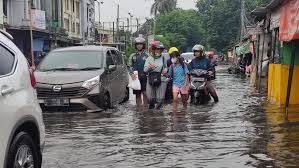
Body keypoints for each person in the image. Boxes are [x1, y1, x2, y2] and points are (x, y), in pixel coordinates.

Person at [144, 42, 168, 109]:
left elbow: (165, 67)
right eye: (157, 49)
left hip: (161, 79)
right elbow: (145, 70)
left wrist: (165, 70)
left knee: (160, 99)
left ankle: (159, 114)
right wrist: (150, 67)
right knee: (150, 98)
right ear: (153, 49)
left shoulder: (163, 58)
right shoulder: (149, 58)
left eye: (160, 49)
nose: (158, 50)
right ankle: (151, 113)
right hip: (151, 79)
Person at [128, 35, 149, 107]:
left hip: (145, 77)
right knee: (138, 94)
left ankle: (146, 109)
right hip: (136, 77)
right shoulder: (132, 55)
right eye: (138, 44)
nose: (139, 46)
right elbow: (129, 66)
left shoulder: (147, 55)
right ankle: (139, 109)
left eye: (141, 44)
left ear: (143, 45)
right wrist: (131, 74)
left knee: (145, 93)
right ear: (135, 45)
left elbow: (150, 66)